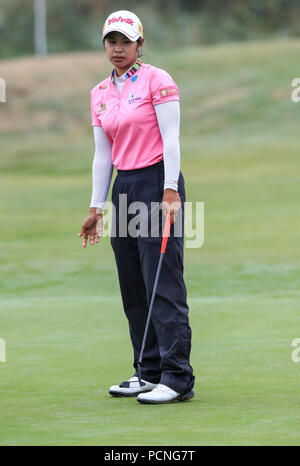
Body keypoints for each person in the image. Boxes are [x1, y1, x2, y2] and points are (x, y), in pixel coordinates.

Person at [78, 10, 195, 404]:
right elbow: (102, 154)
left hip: (158, 181)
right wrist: (96, 207)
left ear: (139, 44)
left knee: (161, 280)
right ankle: (146, 371)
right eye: (111, 41)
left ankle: (177, 377)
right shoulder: (99, 92)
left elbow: (172, 138)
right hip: (124, 187)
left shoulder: (156, 80)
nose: (117, 48)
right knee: (133, 284)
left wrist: (170, 189)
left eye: (125, 42)